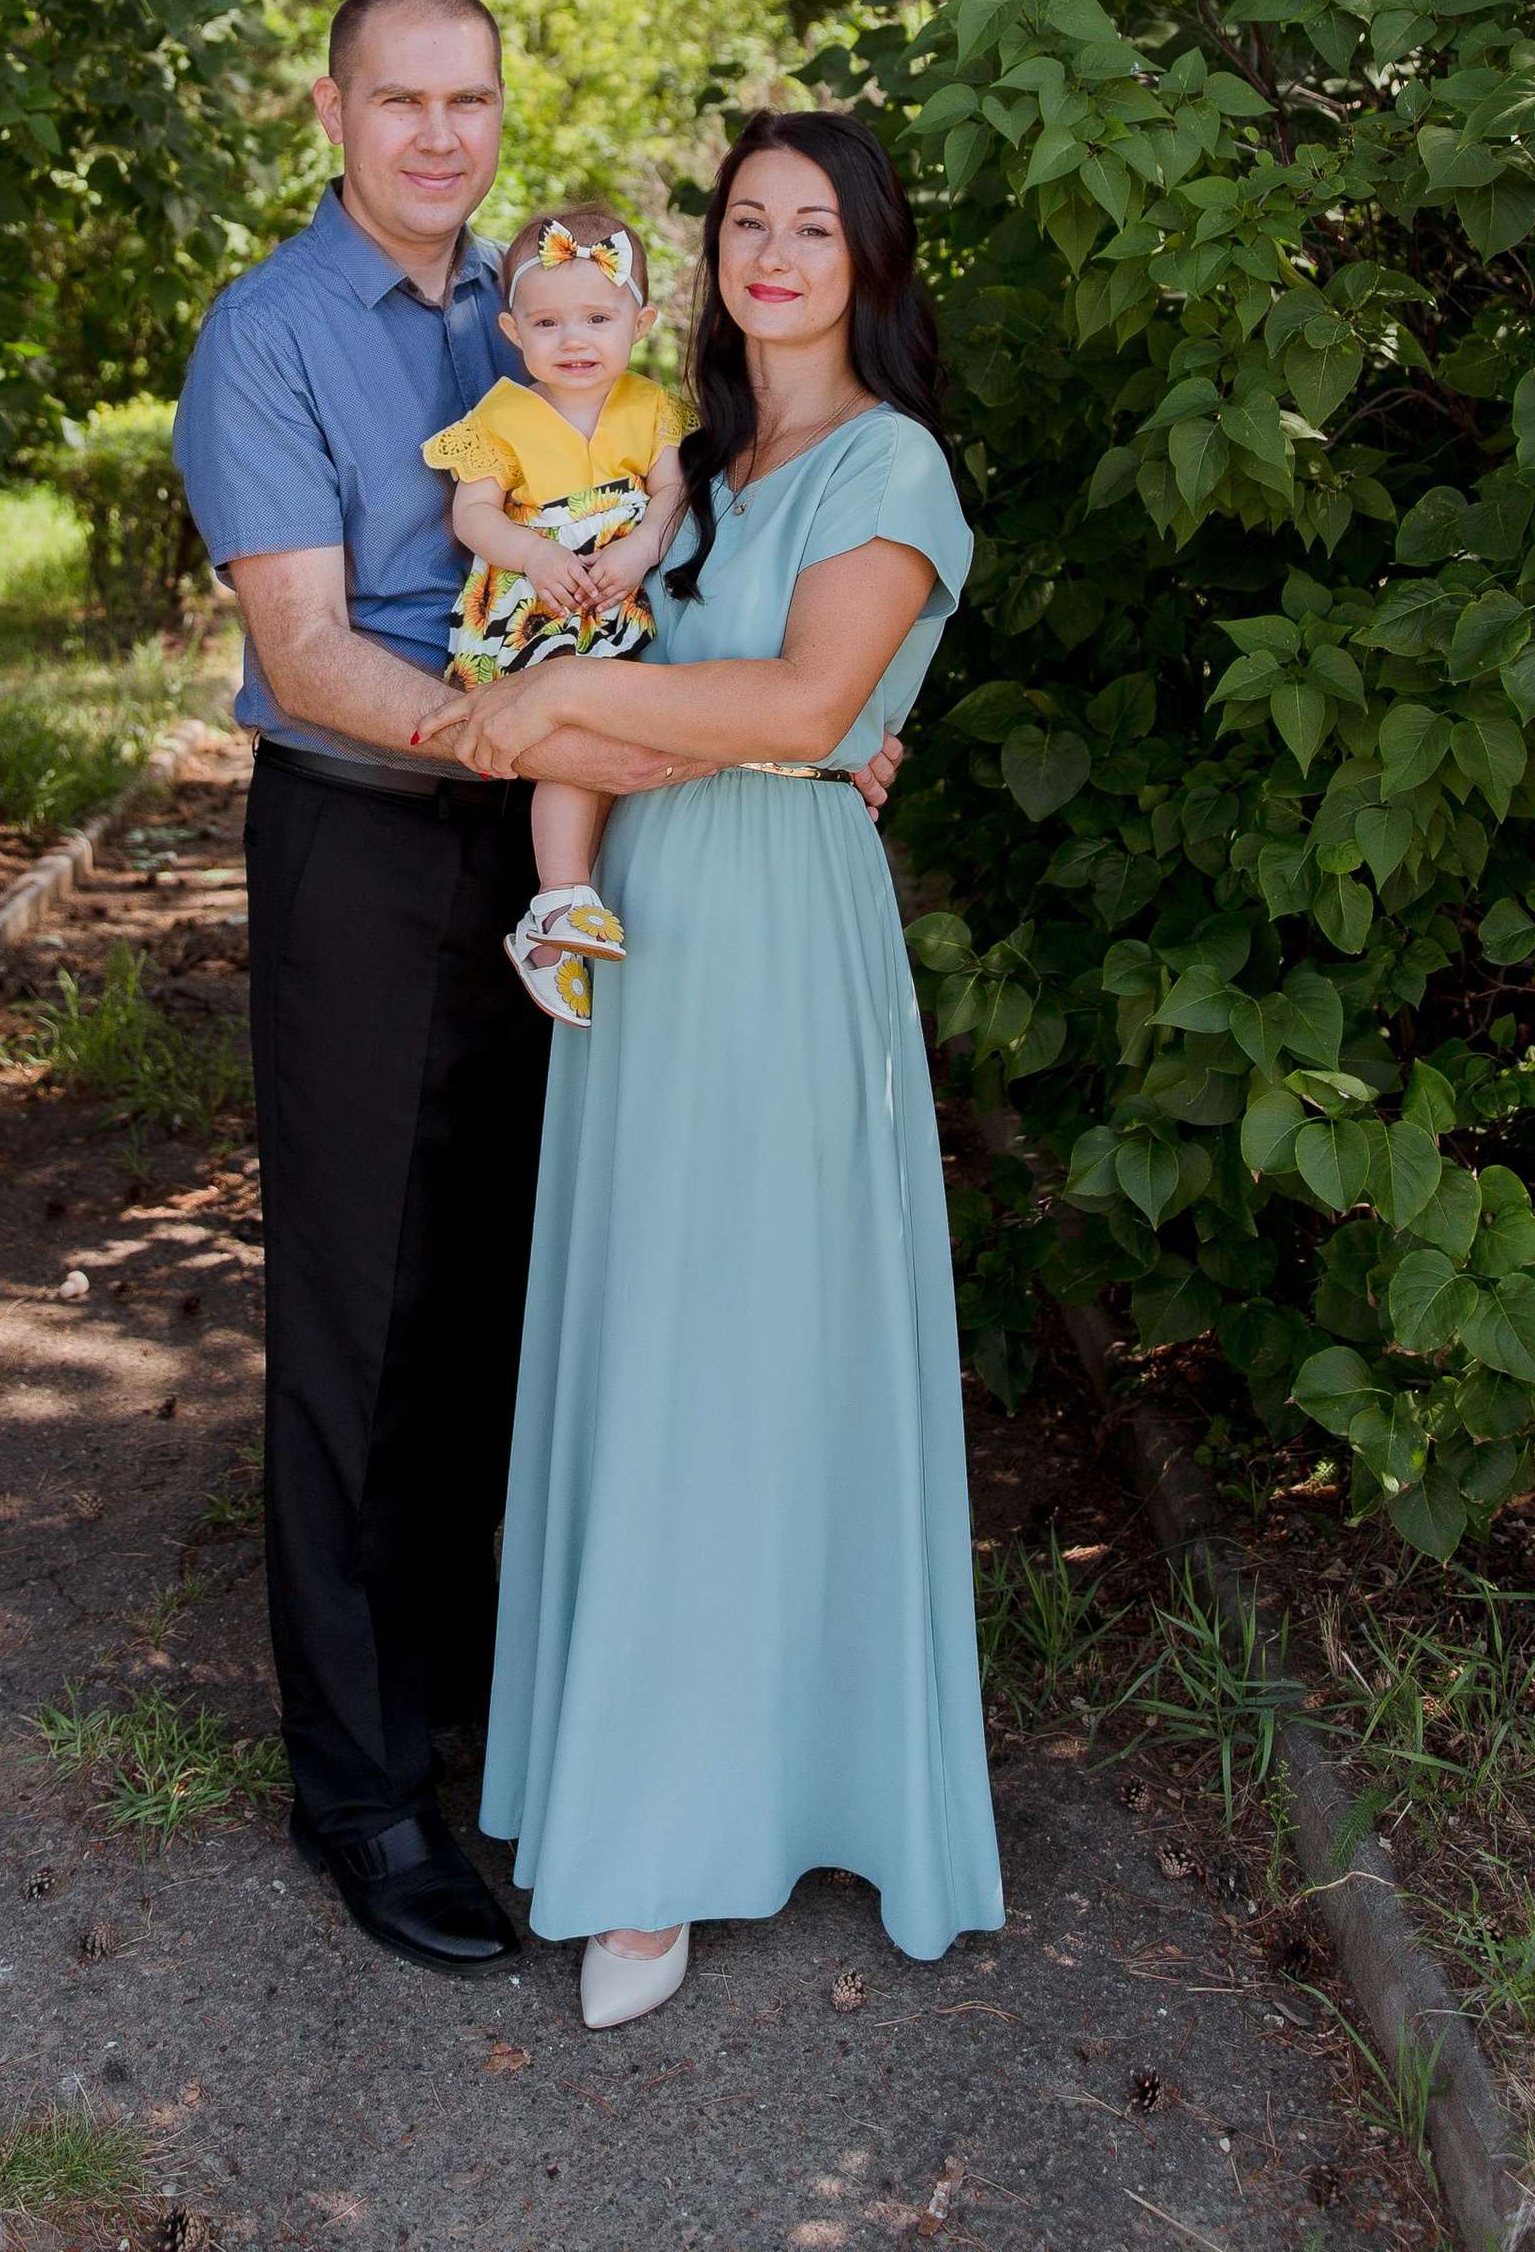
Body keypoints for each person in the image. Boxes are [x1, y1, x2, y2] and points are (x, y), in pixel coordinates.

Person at [170, 0, 910, 1979]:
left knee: (525, 1276)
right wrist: (544, 731)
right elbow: (308, 649)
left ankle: (473, 1700)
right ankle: (356, 1794)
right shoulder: (269, 335)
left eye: (470, 99)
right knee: (361, 1317)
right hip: (372, 834)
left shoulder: (547, 302)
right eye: (400, 99)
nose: (440, 134)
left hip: (566, 831)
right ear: (330, 110)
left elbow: (719, 543)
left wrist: (811, 727)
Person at [414, 108, 1004, 2029]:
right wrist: (639, 717)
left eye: (814, 225)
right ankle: (638, 1795)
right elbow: (693, 718)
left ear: (871, 260)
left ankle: (709, 1830)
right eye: (748, 219)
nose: (774, 252)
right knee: (648, 1346)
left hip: (780, 951)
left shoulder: (889, 463)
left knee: (757, 1358)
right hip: (642, 936)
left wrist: (589, 698)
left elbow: (810, 703)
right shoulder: (699, 468)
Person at [422, 202, 690, 1024]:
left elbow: (674, 495)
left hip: (621, 597)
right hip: (541, 606)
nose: (574, 340)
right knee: (576, 749)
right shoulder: (500, 417)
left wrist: (639, 549)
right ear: (512, 330)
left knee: (627, 758)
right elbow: (473, 514)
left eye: (598, 318)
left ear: (641, 322)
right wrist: (535, 556)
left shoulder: (652, 407)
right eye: (547, 323)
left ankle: (571, 920)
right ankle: (557, 904)